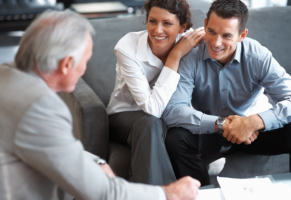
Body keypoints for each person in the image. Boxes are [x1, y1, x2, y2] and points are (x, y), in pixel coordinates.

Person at [0, 10, 201, 200]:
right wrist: (166, 193)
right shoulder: (41, 107)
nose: (85, 69)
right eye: (85, 61)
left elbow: (55, 148)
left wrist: (96, 162)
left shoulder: (6, 75)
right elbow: (104, 192)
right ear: (67, 64)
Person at [162, 0, 291, 186]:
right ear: (204, 24)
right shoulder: (190, 55)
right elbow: (173, 110)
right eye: (211, 31)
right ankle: (203, 196)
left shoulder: (257, 56)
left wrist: (255, 121)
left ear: (242, 35)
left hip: (254, 132)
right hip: (211, 129)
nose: (216, 43)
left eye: (226, 35)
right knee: (176, 138)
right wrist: (224, 124)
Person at [106, 0, 205, 185]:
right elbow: (152, 109)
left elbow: (224, 43)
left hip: (167, 116)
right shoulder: (127, 46)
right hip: (124, 116)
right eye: (153, 21)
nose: (158, 30)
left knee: (176, 131)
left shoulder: (190, 41)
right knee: (151, 122)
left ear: (182, 27)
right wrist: (175, 55)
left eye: (167, 23)